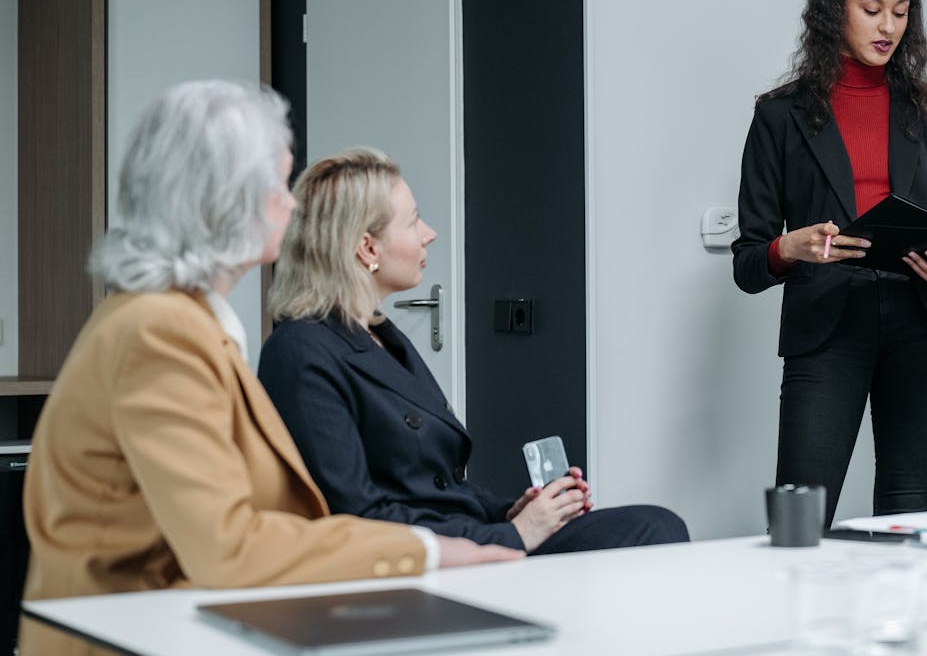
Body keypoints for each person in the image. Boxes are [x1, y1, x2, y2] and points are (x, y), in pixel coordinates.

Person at [20, 82, 519, 655]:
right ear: (224, 199)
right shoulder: (159, 333)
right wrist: (431, 551)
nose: (291, 203)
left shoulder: (184, 321)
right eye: (279, 185)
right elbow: (227, 546)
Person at [258, 147, 689, 554]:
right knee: (652, 530)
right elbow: (357, 517)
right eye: (413, 222)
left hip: (475, 538)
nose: (429, 234)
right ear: (368, 247)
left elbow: (438, 485)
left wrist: (510, 511)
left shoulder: (382, 336)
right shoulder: (300, 351)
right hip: (428, 561)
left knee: (657, 525)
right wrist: (512, 535)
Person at [732, 0, 927, 527]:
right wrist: (787, 248)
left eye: (901, 12)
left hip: (922, 323)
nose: (889, 26)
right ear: (834, 12)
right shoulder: (780, 115)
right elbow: (748, 262)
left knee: (906, 517)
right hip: (827, 322)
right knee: (800, 523)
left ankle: (896, 622)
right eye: (872, 9)